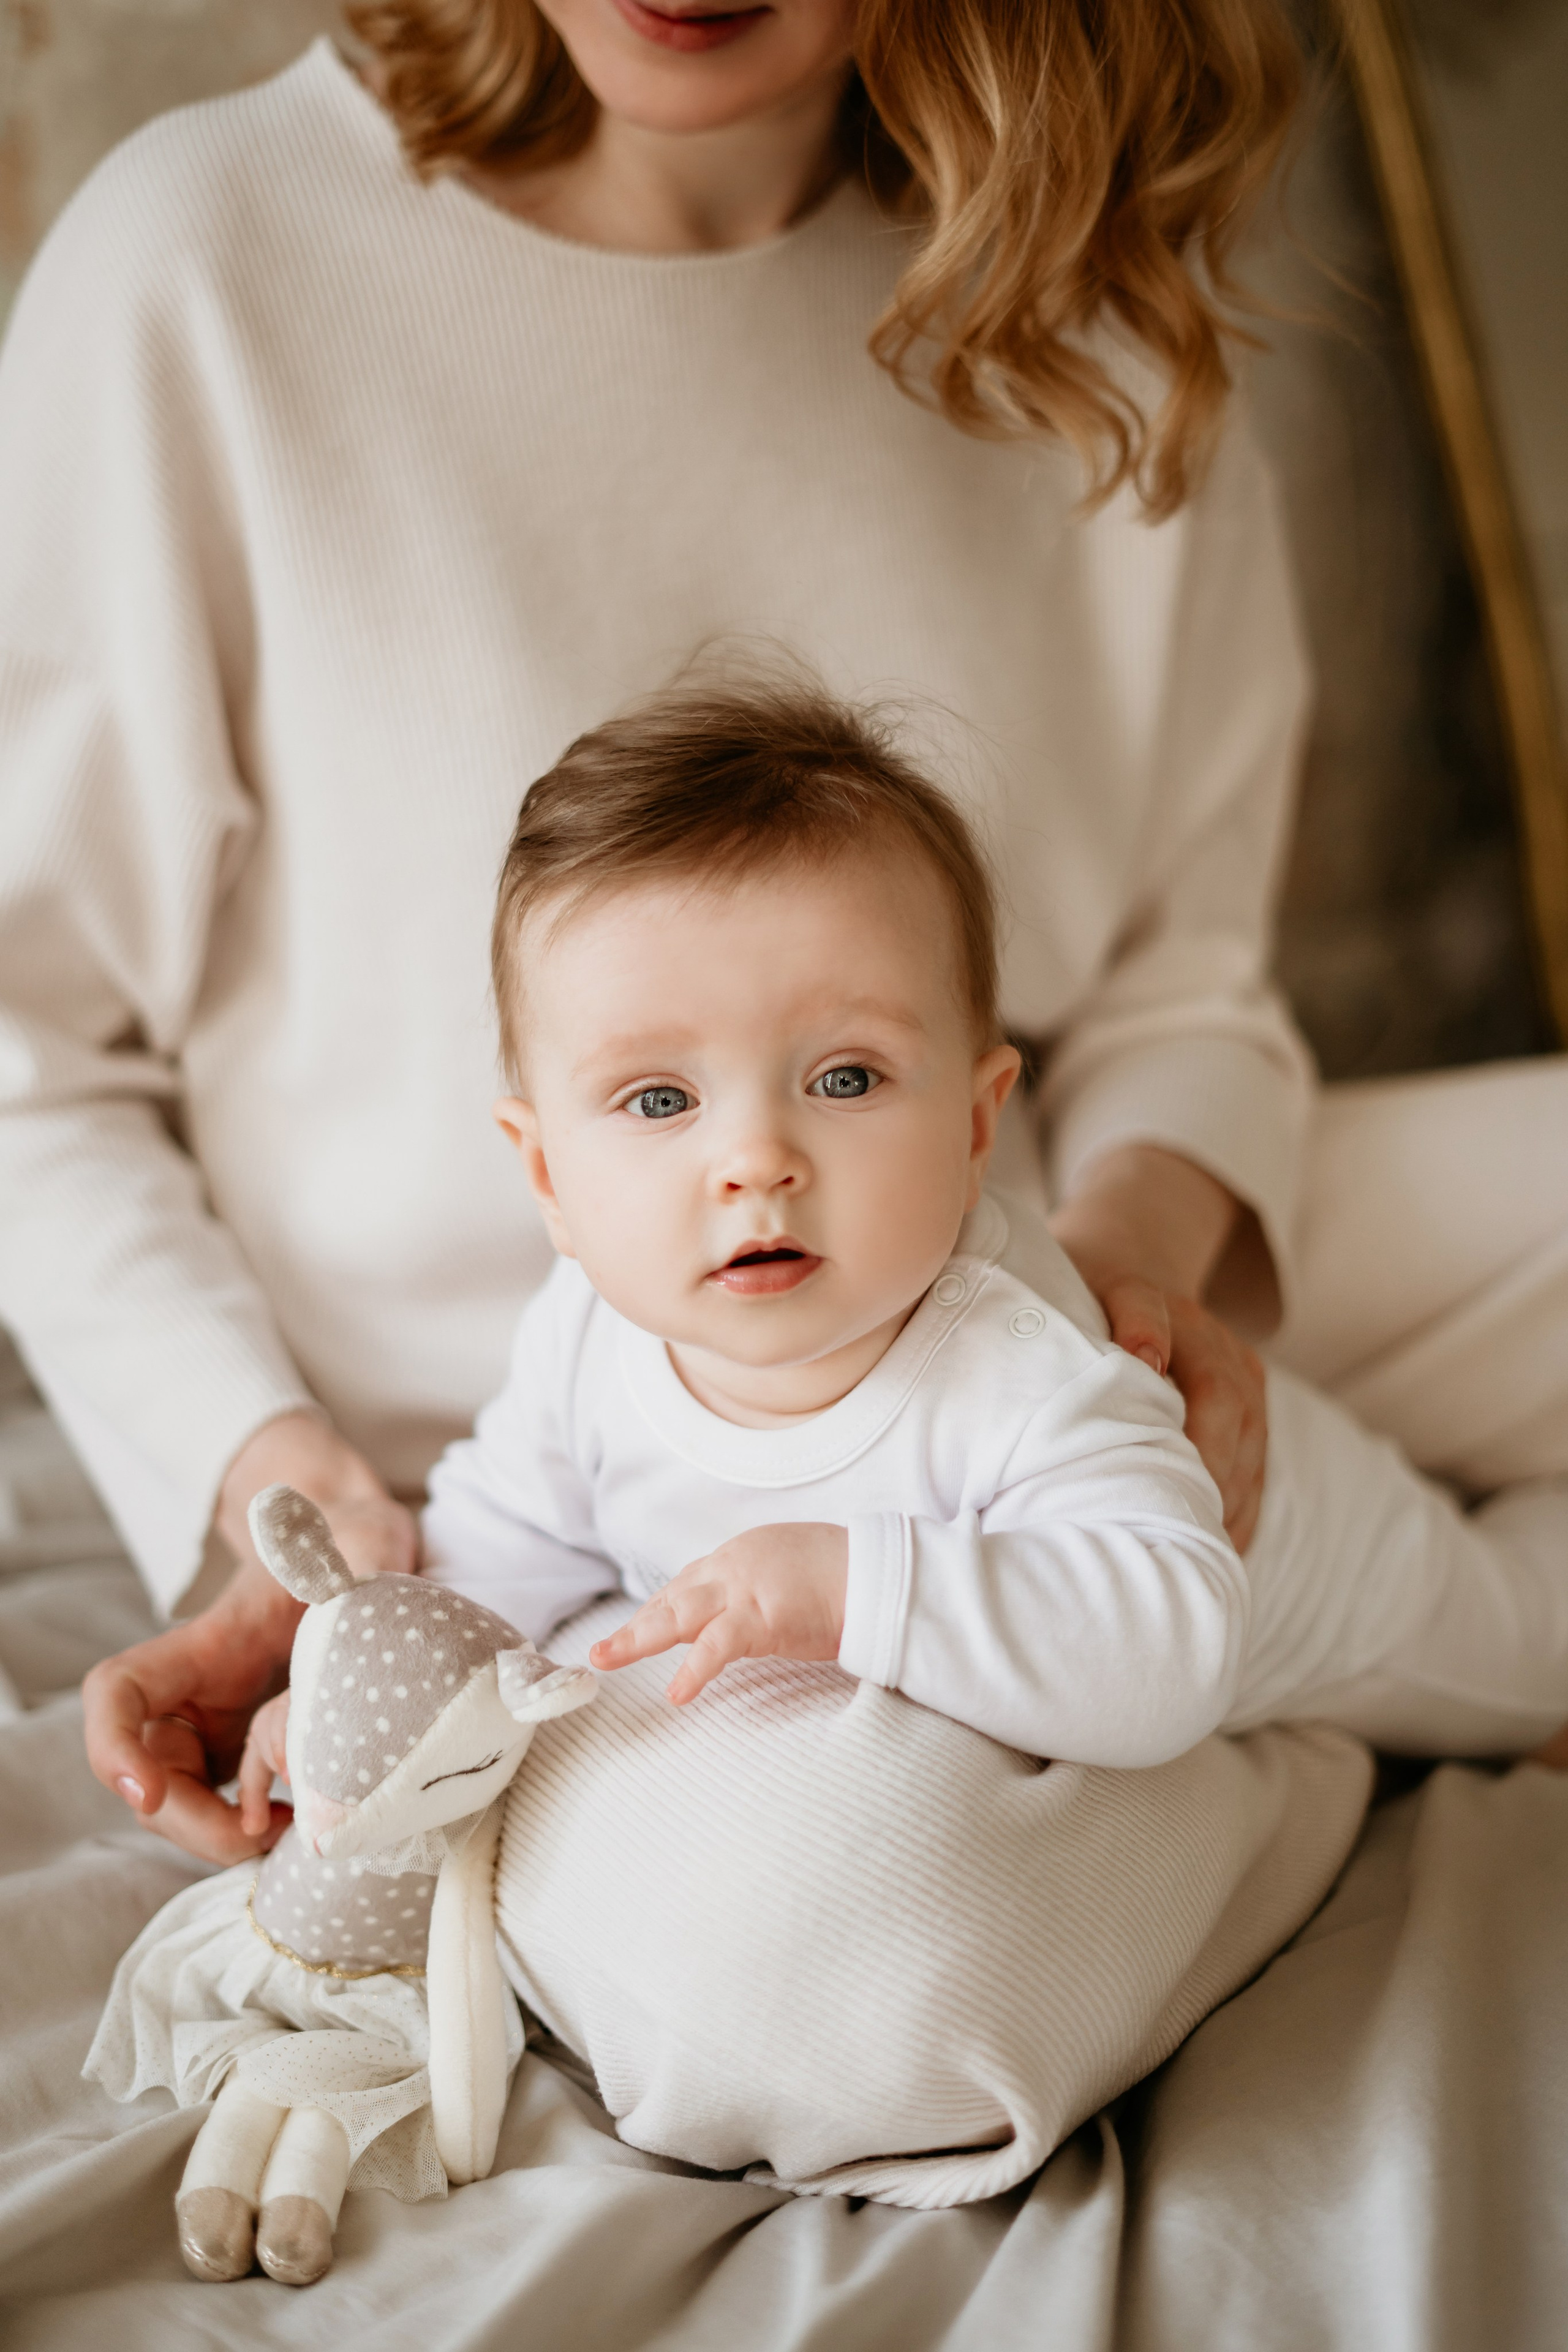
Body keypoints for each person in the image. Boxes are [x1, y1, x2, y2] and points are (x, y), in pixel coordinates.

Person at [0, 0, 1561, 1861]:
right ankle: (1262, 1728)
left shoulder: (1083, 279)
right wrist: (276, 1477)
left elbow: (1180, 974)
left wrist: (1122, 1287)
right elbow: (33, 1051)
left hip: (998, 1288)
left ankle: (1231, 1662)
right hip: (556, 1473)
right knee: (861, 1905)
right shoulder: (205, 262)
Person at [390, 684, 1568, 1769]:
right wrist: (367, 1685)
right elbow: (501, 1538)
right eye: (661, 1101)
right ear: (546, 1174)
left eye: (845, 1079)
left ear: (974, 1123)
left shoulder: (1018, 1362)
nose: (756, 1161)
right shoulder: (585, 1337)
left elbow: (1171, 1655)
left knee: (1530, 1647)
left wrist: (854, 1592)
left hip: (1350, 1592)